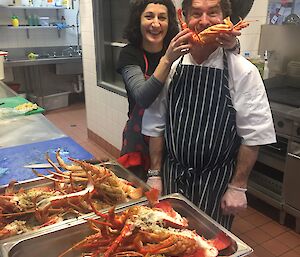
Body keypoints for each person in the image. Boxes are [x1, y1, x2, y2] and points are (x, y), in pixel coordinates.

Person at [142, 0, 276, 230]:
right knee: (167, 237)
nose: (204, 21)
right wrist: (155, 174)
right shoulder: (172, 67)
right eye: (196, 13)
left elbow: (254, 134)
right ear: (183, 17)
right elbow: (156, 123)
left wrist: (238, 186)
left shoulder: (243, 71)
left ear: (225, 19)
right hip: (173, 174)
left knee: (210, 245)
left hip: (217, 182)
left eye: (213, 13)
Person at [117, 0, 239, 184]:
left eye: (162, 17)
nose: (156, 24)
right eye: (149, 16)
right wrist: (167, 60)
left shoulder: (182, 45)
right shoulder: (130, 54)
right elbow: (142, 98)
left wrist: (231, 44)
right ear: (138, 20)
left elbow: (218, 56)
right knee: (138, 195)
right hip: (140, 140)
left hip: (173, 140)